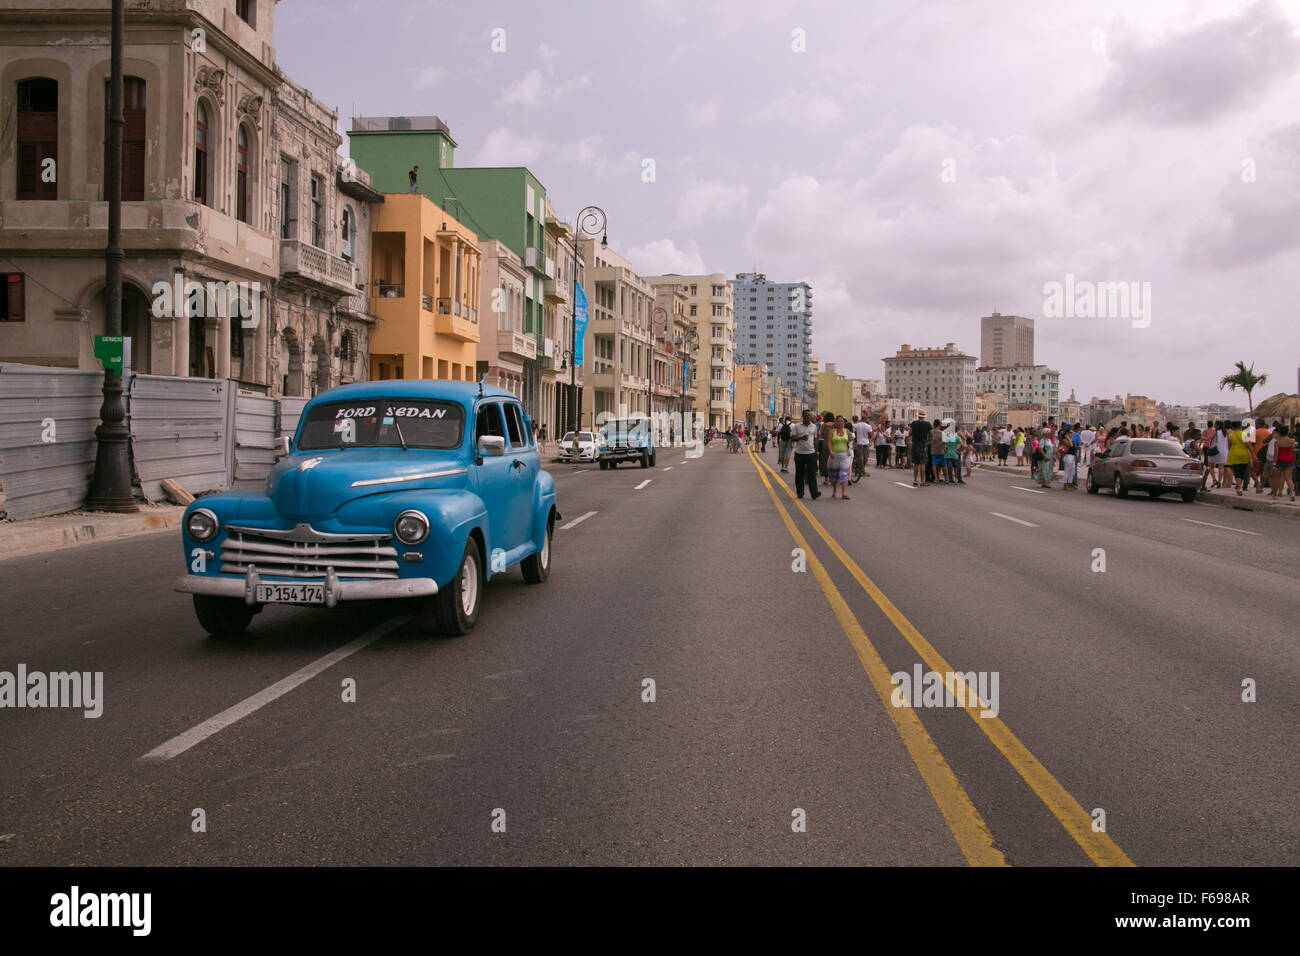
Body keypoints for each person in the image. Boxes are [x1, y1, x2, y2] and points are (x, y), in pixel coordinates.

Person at [790, 410, 821, 500]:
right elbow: (792, 438)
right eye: (806, 416)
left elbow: (815, 440)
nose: (808, 417)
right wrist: (801, 438)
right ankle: (800, 492)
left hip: (811, 453)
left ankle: (814, 493)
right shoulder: (797, 426)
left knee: (812, 474)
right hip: (799, 453)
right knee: (800, 474)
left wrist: (817, 452)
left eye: (809, 416)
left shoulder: (814, 427)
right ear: (802, 416)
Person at [828, 415, 854, 499]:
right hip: (834, 455)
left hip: (845, 455)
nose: (840, 423)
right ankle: (834, 490)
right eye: (838, 421)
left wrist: (851, 439)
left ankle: (844, 493)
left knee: (844, 474)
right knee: (834, 475)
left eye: (842, 421)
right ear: (835, 422)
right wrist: (830, 451)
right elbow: (829, 442)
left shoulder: (847, 431)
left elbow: (850, 441)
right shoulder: (832, 431)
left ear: (844, 423)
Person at [1267, 424, 1295, 499]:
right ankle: (1292, 493)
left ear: (1279, 433)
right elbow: (1291, 450)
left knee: (1277, 478)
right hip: (1289, 459)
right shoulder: (1291, 441)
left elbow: (1276, 454)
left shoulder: (1278, 442)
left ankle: (1275, 494)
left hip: (1280, 460)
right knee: (1288, 478)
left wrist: (1274, 464)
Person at [1226, 421, 1251, 495]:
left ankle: (1239, 487)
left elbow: (1229, 446)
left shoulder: (1231, 435)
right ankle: (1241, 485)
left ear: (1233, 428)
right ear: (1240, 427)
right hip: (1244, 454)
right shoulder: (1244, 434)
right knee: (1243, 470)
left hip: (1234, 454)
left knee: (1237, 471)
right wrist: (1253, 455)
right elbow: (1248, 445)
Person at [910, 411, 932, 486]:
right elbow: (931, 435)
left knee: (916, 464)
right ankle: (922, 481)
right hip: (923, 446)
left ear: (918, 416)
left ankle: (915, 480)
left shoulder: (914, 423)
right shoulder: (928, 424)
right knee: (923, 464)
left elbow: (910, 433)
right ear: (924, 416)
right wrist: (927, 442)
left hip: (915, 445)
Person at [1249, 418, 1271, 494]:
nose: (1255, 425)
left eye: (1256, 424)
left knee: (1252, 470)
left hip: (1257, 453)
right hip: (1265, 454)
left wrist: (1252, 455)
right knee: (1263, 471)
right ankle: (1261, 486)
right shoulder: (1268, 432)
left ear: (1259, 424)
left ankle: (1257, 482)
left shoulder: (1255, 432)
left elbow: (1250, 445)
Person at [852, 414, 872, 479]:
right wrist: (867, 437)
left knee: (860, 457)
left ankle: (862, 469)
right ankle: (863, 470)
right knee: (866, 457)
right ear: (865, 419)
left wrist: (856, 439)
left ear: (861, 419)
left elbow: (854, 434)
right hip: (866, 443)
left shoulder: (857, 425)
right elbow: (870, 435)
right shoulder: (868, 426)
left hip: (859, 443)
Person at [1058, 425, 1077, 490]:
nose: (1071, 434)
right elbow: (1070, 445)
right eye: (1070, 432)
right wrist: (1068, 438)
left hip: (1072, 456)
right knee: (1067, 471)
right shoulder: (1065, 440)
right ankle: (1065, 485)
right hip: (1068, 455)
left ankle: (1069, 484)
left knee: (1072, 471)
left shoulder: (1070, 439)